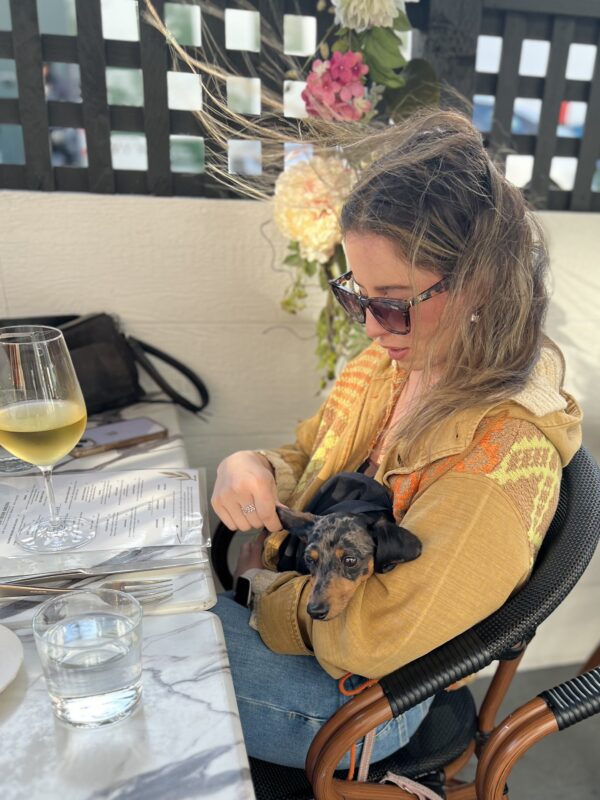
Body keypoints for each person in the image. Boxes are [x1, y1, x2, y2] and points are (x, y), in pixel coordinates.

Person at [210, 109, 582, 769]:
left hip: (357, 707)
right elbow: (310, 458)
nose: (371, 326)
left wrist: (264, 591)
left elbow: (376, 639)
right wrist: (250, 464)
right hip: (308, 624)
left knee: (147, 648)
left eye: (393, 300)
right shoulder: (391, 366)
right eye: (357, 297)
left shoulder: (498, 457)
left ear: (481, 284)